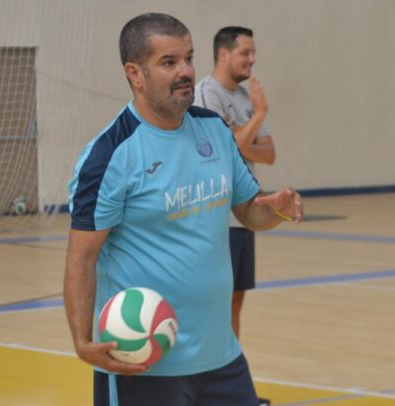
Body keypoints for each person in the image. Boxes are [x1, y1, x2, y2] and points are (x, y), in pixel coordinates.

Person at [65, 13, 303, 406]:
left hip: (222, 358)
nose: (186, 72)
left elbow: (248, 212)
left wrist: (275, 208)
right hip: (144, 364)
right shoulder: (109, 155)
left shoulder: (214, 130)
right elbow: (81, 258)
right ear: (135, 74)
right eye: (169, 62)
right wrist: (81, 341)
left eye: (189, 58)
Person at [194, 26, 275, 341]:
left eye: (254, 53)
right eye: (245, 53)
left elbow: (269, 154)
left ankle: (232, 370)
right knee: (217, 299)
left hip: (243, 214)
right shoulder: (206, 94)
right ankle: (211, 367)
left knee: (236, 297)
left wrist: (239, 138)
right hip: (216, 217)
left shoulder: (245, 98)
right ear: (223, 54)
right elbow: (222, 148)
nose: (252, 59)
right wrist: (258, 116)